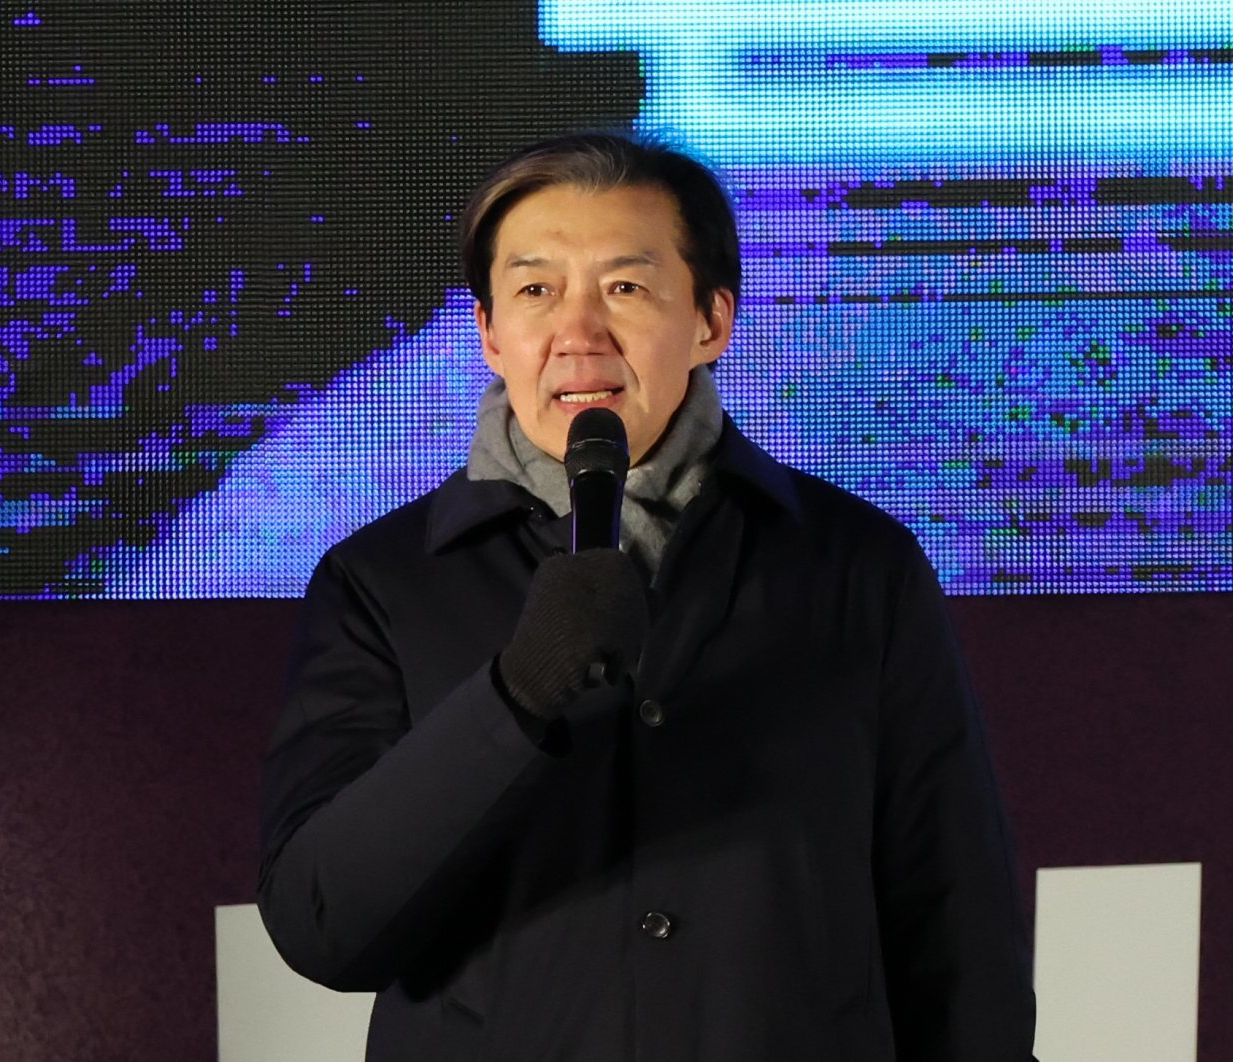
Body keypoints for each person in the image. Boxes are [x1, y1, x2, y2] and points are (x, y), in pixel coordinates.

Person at [257, 133, 1037, 1061]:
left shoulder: (858, 566)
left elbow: (955, 919)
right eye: (536, 291)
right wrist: (518, 693)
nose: (578, 333)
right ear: (490, 333)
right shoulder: (381, 582)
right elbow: (323, 924)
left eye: (625, 287)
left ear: (711, 321)